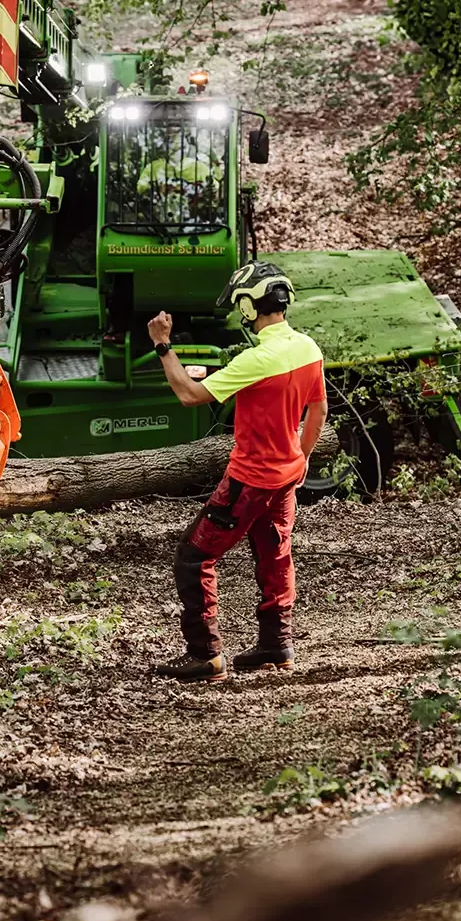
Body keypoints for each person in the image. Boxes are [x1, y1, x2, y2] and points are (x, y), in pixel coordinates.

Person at [147, 261, 328, 683]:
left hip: (249, 480)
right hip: (285, 478)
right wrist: (300, 457)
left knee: (194, 557)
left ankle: (206, 655)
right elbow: (318, 409)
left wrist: (162, 345)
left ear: (249, 306)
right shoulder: (308, 348)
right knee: (275, 556)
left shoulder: (257, 358)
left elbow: (190, 395)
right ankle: (276, 645)